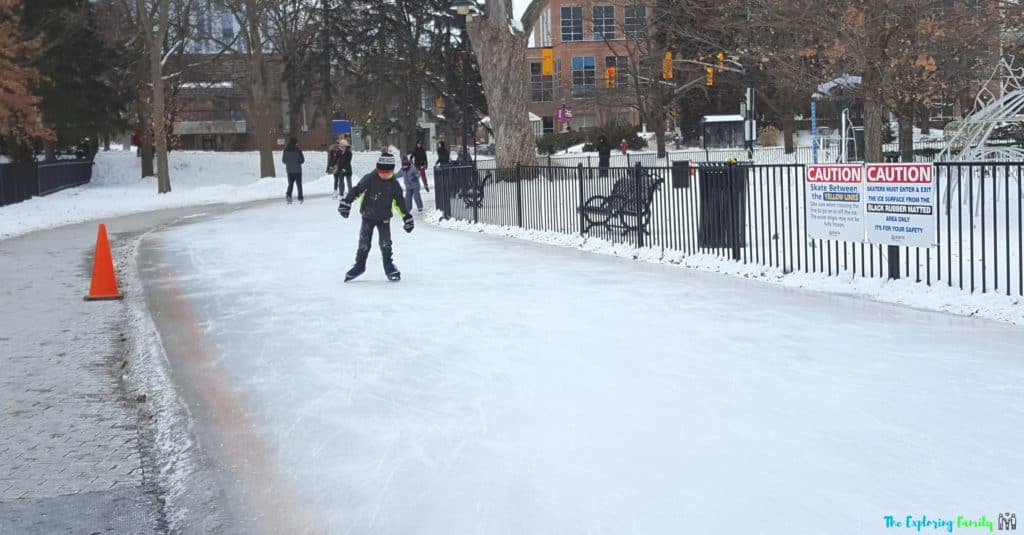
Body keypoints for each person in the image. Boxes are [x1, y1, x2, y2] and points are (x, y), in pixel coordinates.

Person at [337, 153, 415, 282]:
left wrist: (407, 217)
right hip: (368, 216)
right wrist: (346, 202)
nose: (384, 175)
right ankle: (360, 265)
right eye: (382, 172)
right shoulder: (370, 178)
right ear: (377, 169)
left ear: (392, 171)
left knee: (385, 243)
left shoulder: (394, 184)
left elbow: (400, 202)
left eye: (388, 173)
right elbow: (357, 190)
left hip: (384, 217)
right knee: (364, 243)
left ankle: (388, 264)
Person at [282, 137, 305, 204]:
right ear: (295, 142)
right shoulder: (298, 150)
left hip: (289, 170)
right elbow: (302, 160)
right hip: (298, 170)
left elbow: (283, 160)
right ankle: (300, 197)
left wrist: (289, 163)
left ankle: (289, 196)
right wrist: (298, 162)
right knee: (299, 184)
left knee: (290, 184)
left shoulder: (285, 150)